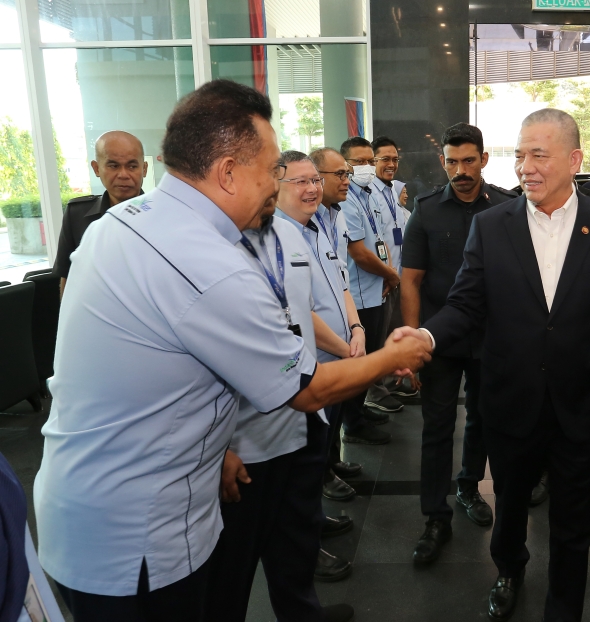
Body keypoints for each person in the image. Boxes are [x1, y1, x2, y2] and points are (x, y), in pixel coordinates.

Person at [32, 79, 430, 622]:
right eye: (270, 170)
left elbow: (149, 370)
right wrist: (394, 354)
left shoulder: (125, 223)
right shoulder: (207, 264)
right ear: (226, 172)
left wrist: (213, 446)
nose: (277, 185)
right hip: (138, 537)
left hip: (93, 504)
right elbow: (308, 389)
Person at [416, 109, 590, 621]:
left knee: (574, 519)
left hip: (580, 403)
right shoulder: (492, 226)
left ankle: (565, 604)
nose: (525, 166)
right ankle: (508, 571)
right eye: (519, 154)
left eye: (539, 154)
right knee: (510, 505)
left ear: (575, 159)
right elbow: (466, 304)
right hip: (509, 400)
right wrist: (425, 335)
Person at [205, 191, 354, 622]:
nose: (273, 184)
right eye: (273, 172)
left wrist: (346, 349)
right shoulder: (208, 248)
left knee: (296, 541)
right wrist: (218, 448)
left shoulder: (291, 237)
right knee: (232, 568)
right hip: (244, 443)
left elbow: (303, 315)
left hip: (302, 423)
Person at [400, 123, 515, 564]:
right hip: (439, 340)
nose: (461, 170)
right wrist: (413, 345)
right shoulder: (427, 211)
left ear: (484, 159)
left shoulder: (508, 207)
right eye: (452, 161)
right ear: (442, 162)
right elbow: (411, 282)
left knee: (484, 420)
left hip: (492, 340)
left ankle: (469, 488)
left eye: (469, 160)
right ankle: (435, 516)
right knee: (437, 427)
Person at [274, 151, 365, 579]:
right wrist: (345, 347)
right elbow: (300, 310)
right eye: (300, 182)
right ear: (276, 186)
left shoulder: (318, 229)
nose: (312, 189)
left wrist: (357, 326)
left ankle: (314, 522)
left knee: (321, 453)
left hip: (340, 354)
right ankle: (305, 547)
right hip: (311, 369)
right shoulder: (275, 238)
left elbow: (341, 283)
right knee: (302, 466)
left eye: (315, 180)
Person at [310, 147, 377, 500]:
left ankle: (333, 463)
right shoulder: (298, 225)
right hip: (320, 348)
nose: (346, 180)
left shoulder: (334, 217)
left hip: (341, 336)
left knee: (334, 418)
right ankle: (322, 476)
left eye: (346, 173)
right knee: (318, 424)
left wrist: (356, 329)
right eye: (339, 174)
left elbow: (341, 281)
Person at [340, 137, 400, 445]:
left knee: (372, 354)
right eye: (359, 162)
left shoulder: (369, 194)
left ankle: (359, 410)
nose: (365, 167)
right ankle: (352, 423)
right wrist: (390, 274)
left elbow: (382, 240)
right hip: (361, 292)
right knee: (360, 361)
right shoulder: (346, 198)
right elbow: (360, 253)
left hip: (378, 287)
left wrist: (389, 275)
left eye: (368, 161)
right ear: (345, 165)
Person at [54, 130, 146, 296]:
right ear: (96, 168)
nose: (123, 175)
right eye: (113, 166)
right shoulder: (77, 214)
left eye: (132, 166)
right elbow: (68, 275)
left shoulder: (162, 216)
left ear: (144, 169)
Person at [371, 136, 418, 400]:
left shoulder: (391, 191)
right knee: (376, 339)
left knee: (392, 333)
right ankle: (375, 393)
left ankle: (391, 384)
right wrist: (388, 273)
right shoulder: (368, 193)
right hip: (381, 277)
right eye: (384, 159)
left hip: (397, 275)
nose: (391, 164)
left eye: (395, 159)